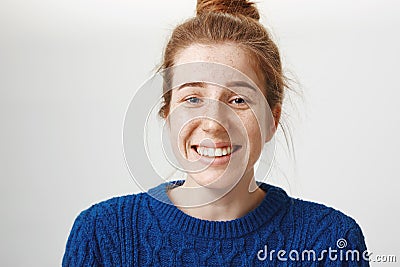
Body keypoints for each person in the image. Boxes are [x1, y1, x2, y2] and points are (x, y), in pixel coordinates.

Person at [62, 0, 369, 266]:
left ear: (271, 120)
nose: (213, 123)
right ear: (167, 114)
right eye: (193, 98)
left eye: (238, 100)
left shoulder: (331, 243)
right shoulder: (101, 235)